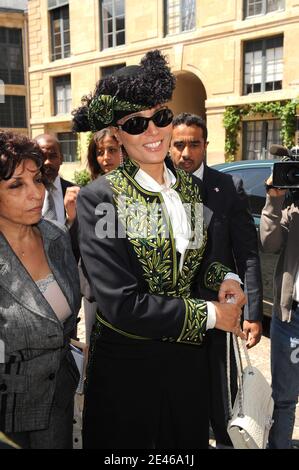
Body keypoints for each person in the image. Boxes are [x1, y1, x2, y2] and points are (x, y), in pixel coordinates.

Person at [72, 49, 246, 449]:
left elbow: (198, 262)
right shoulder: (101, 199)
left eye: (161, 117)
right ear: (116, 133)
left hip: (188, 368)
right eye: (136, 123)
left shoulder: (191, 188)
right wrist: (212, 314)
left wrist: (227, 279)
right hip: (129, 373)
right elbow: (120, 303)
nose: (153, 132)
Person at [170, 112, 263, 448]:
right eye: (178, 144)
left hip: (220, 316)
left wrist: (251, 313)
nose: (185, 152)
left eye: (194, 144)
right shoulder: (155, 192)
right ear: (169, 146)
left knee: (222, 400)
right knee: (179, 403)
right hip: (174, 315)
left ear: (205, 146)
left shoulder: (227, 187)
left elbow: (247, 253)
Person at [0, 131, 81, 449]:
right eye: (16, 185)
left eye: (36, 179)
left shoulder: (57, 237)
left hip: (56, 402)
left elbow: (64, 320)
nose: (36, 194)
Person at [260, 176, 299, 449]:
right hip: (291, 318)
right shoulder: (293, 207)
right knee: (284, 398)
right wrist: (274, 200)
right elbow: (269, 243)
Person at [81, 129, 122, 344]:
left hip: (131, 295)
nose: (106, 158)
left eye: (112, 150)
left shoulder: (142, 193)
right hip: (96, 293)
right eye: (100, 152)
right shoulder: (87, 194)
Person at [35, 134, 80, 262]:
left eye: (53, 156)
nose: (47, 162)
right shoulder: (23, 196)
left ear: (61, 158)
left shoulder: (78, 194)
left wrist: (71, 220)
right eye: (41, 157)